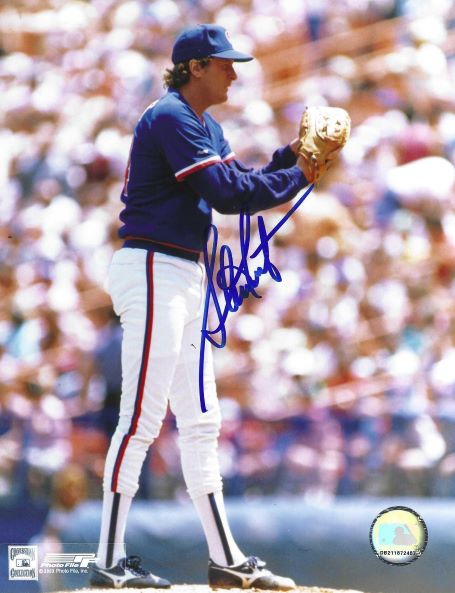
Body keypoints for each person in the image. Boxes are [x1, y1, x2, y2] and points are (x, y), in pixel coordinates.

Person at [90, 23, 313, 591]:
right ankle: (108, 561)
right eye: (225, 64)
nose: (234, 73)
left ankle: (226, 561)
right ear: (195, 67)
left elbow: (240, 179)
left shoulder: (204, 124)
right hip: (152, 267)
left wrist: (291, 157)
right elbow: (228, 196)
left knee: (201, 421)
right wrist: (299, 176)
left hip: (184, 273)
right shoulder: (171, 116)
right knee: (141, 418)